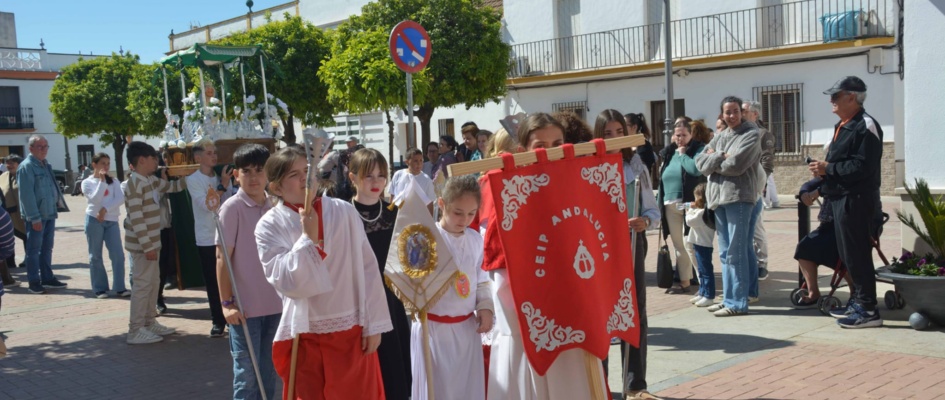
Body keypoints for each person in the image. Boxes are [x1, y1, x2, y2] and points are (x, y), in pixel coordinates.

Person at [255, 146, 392, 399]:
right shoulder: (269, 225)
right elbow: (286, 281)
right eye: (294, 175)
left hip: (352, 329)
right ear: (276, 187)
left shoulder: (343, 211)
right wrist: (307, 240)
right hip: (306, 334)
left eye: (307, 171)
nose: (306, 179)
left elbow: (368, 269)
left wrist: (374, 325)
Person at [487, 112, 608, 399]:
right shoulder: (509, 199)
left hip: (575, 318)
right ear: (523, 150)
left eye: (557, 144)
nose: (549, 152)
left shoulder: (576, 188)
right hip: (533, 326)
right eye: (540, 146)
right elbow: (501, 278)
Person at [594, 109, 661, 400]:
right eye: (607, 133)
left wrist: (644, 221)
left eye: (619, 132)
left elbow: (652, 210)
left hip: (632, 244)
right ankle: (599, 385)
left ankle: (635, 385)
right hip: (597, 249)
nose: (614, 138)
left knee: (634, 311)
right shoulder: (588, 166)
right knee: (600, 314)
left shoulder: (635, 165)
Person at [812, 76, 884, 328]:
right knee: (847, 255)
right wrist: (824, 174)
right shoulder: (843, 125)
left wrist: (828, 168)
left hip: (857, 200)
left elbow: (863, 167)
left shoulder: (866, 125)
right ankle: (859, 302)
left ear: (851, 97)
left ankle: (868, 310)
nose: (831, 100)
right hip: (840, 198)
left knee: (857, 254)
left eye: (836, 95)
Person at [414, 174, 493, 400]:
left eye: (471, 213)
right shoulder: (426, 238)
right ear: (442, 204)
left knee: (466, 391)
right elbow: (413, 282)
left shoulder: (475, 240)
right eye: (458, 212)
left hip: (466, 330)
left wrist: (485, 306)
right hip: (434, 330)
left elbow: (482, 280)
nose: (464, 219)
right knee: (439, 391)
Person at [216, 144, 282, 400]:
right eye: (247, 171)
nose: (254, 177)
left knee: (268, 372)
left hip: (276, 305)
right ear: (236, 175)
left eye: (259, 170)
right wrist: (226, 303)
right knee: (246, 376)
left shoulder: (276, 205)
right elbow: (222, 257)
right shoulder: (231, 208)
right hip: (245, 309)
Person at [348, 148, 412, 400]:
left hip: (392, 300)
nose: (376, 182)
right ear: (353, 177)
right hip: (357, 299)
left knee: (395, 368)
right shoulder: (343, 214)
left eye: (381, 175)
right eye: (368, 175)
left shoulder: (395, 212)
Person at [695, 96, 765, 317]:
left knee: (737, 251)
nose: (732, 116)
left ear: (742, 113)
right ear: (722, 114)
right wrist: (720, 156)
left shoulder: (751, 134)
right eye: (728, 112)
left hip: (739, 198)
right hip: (718, 199)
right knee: (725, 253)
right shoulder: (721, 136)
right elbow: (699, 163)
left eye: (736, 111)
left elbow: (736, 165)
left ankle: (738, 302)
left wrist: (714, 161)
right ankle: (729, 297)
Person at [123, 141, 187, 344]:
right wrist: (147, 246)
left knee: (153, 283)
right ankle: (135, 330)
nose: (157, 162)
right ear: (142, 160)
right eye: (153, 158)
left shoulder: (150, 180)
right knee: (142, 286)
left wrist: (189, 175)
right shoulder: (134, 184)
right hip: (144, 246)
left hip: (152, 243)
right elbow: (137, 219)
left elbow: (173, 187)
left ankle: (149, 321)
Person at [187, 139, 236, 338]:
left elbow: (229, 202)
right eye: (209, 153)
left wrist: (227, 184)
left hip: (226, 234)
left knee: (230, 278)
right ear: (198, 157)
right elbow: (209, 205)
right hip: (207, 237)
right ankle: (218, 321)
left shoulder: (221, 176)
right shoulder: (193, 180)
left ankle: (232, 316)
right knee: (213, 281)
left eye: (214, 152)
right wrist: (222, 185)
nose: (214, 156)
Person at [657, 120, 706, 294]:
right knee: (679, 245)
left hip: (687, 203)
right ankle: (684, 283)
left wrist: (683, 154)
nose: (680, 138)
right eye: (677, 135)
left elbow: (695, 170)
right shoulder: (669, 153)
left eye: (684, 135)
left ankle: (704, 282)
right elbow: (662, 179)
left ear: (691, 135)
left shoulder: (697, 150)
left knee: (690, 244)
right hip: (670, 204)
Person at [793, 177, 854, 309]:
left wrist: (819, 191)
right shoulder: (826, 177)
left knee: (835, 252)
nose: (813, 169)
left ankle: (855, 289)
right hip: (828, 225)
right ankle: (813, 292)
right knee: (804, 248)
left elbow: (839, 186)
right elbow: (809, 184)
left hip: (849, 225)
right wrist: (804, 193)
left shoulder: (843, 174)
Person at [18, 135, 68, 294]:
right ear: (31, 148)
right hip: (37, 216)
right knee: (33, 250)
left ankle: (47, 278)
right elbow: (26, 195)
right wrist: (34, 217)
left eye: (45, 146)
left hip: (49, 213)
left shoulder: (46, 165)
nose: (43, 149)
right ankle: (33, 281)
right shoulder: (27, 167)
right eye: (40, 146)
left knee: (47, 248)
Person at [82, 153, 127, 299]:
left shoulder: (114, 181)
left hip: (111, 220)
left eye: (108, 163)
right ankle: (100, 288)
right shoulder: (87, 182)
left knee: (117, 254)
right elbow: (95, 199)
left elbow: (120, 198)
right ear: (94, 165)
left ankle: (119, 287)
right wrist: (101, 182)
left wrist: (105, 209)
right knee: (95, 255)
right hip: (94, 221)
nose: (106, 166)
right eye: (103, 163)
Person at [743, 100, 775, 282]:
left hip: (755, 187)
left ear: (755, 114)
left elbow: (767, 161)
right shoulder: (741, 132)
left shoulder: (763, 134)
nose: (741, 113)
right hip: (741, 187)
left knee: (756, 227)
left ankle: (762, 263)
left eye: (744, 111)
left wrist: (761, 183)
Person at [686, 183, 716, 308]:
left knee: (705, 271)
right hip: (699, 243)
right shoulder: (702, 211)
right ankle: (702, 292)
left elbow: (689, 221)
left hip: (703, 244)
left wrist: (689, 210)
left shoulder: (702, 212)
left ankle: (709, 295)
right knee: (701, 270)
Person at [0, 154, 24, 287]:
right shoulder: (3, 177)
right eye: (7, 163)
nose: (8, 165)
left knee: (26, 237)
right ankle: (9, 265)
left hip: (22, 212)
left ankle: (27, 261)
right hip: (7, 213)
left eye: (11, 163)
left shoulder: (23, 175)